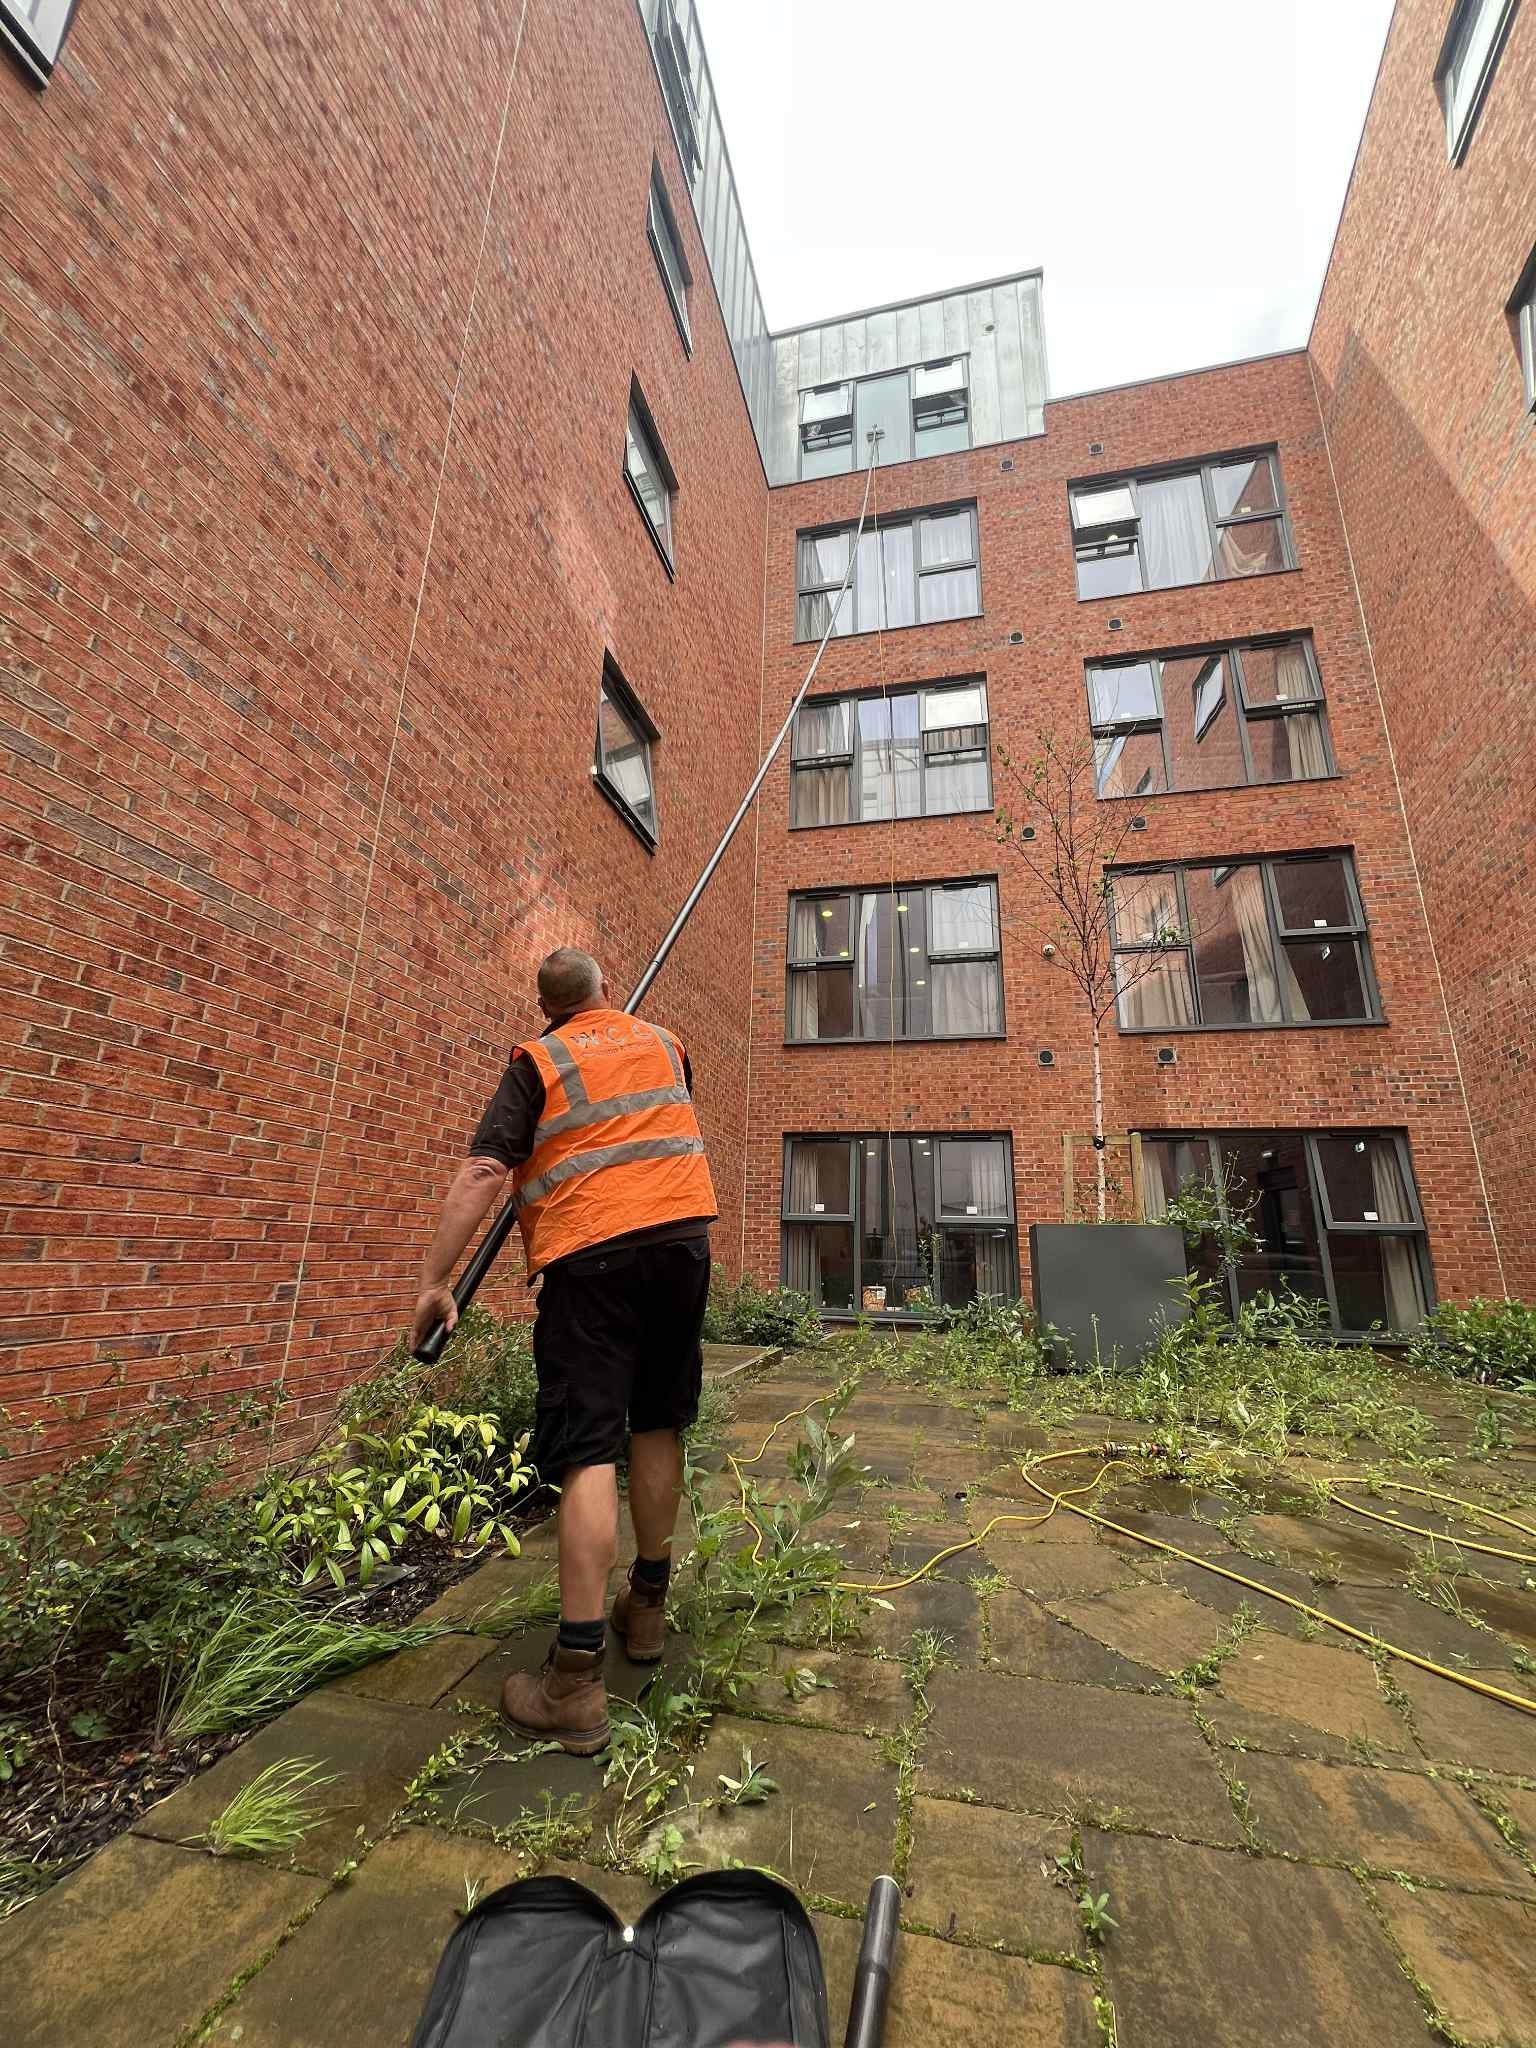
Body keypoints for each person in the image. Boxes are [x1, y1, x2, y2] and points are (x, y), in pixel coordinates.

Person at [411, 947, 717, 1755]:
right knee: (657, 1423)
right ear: (605, 991)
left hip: (593, 1260)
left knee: (589, 1447)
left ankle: (574, 1681)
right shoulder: (667, 1042)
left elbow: (486, 1169)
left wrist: (436, 1280)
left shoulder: (537, 1060)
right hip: (684, 1244)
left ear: (545, 1006)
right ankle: (645, 1609)